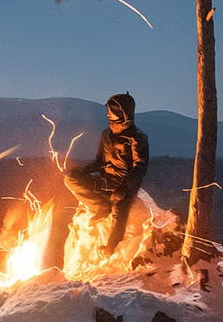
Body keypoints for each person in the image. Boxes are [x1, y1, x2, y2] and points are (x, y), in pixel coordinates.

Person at [39, 92, 150, 273]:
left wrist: (124, 188)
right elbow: (99, 161)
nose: (108, 113)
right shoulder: (107, 134)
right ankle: (101, 206)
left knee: (119, 208)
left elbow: (140, 167)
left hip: (124, 183)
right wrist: (80, 172)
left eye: (112, 109)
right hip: (105, 179)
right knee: (70, 180)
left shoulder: (137, 138)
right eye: (108, 109)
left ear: (123, 111)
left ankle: (111, 246)